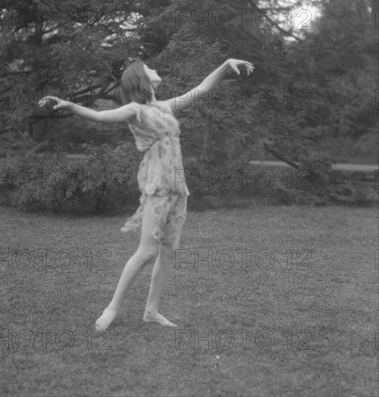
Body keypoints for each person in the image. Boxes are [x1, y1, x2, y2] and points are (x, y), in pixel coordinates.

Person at [38, 57, 254, 330]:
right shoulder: (135, 109)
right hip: (158, 187)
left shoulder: (165, 106)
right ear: (142, 78)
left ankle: (151, 311)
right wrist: (69, 105)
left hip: (177, 188)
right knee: (146, 252)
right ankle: (112, 308)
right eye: (149, 68)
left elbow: (200, 90)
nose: (154, 69)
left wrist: (225, 66)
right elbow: (102, 117)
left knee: (169, 251)